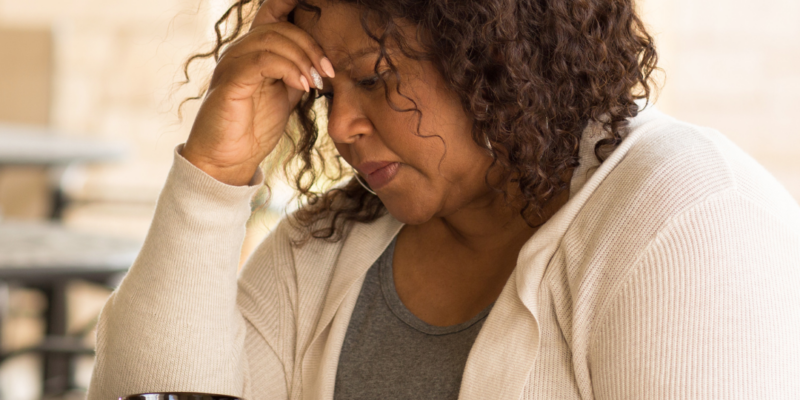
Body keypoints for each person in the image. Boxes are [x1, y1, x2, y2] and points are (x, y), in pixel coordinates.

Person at [88, 0, 800, 398]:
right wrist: (212, 176)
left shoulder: (687, 218)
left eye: (373, 78)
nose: (340, 127)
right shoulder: (324, 248)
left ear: (490, 51)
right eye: (328, 92)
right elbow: (142, 391)